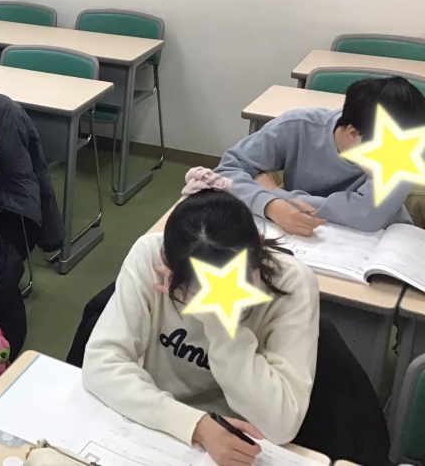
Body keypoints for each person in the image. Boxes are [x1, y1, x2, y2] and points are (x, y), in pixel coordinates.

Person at [82, 168, 320, 466]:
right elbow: (101, 363)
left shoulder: (293, 283)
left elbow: (281, 423)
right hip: (160, 424)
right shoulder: (150, 255)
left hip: (241, 437)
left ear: (258, 250)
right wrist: (195, 425)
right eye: (192, 287)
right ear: (167, 263)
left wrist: (220, 324)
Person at [215, 76, 425, 236]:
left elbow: (367, 216)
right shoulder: (297, 126)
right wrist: (270, 206)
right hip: (307, 239)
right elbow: (226, 171)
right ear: (354, 134)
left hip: (379, 241)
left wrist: (276, 194)